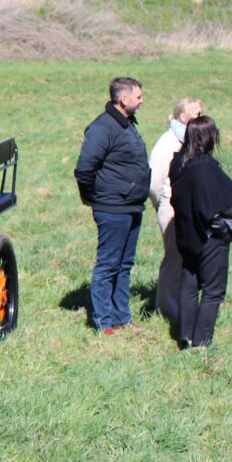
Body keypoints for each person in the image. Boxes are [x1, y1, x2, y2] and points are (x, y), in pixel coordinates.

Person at [74, 77, 149, 335]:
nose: (142, 101)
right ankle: (103, 322)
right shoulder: (102, 127)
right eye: (138, 97)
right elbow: (84, 169)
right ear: (123, 99)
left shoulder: (127, 123)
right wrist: (92, 198)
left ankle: (122, 317)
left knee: (124, 265)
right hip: (113, 208)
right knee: (108, 265)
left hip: (132, 206)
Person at [169, 116, 232, 349]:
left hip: (186, 235)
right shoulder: (205, 168)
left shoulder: (179, 163)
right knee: (213, 291)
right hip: (209, 237)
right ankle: (201, 342)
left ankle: (186, 335)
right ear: (210, 137)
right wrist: (224, 228)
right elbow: (210, 205)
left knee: (190, 284)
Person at [148, 97, 204, 323]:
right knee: (174, 258)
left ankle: (184, 305)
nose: (202, 118)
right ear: (184, 117)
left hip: (190, 208)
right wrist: (163, 203)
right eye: (197, 114)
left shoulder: (192, 140)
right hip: (171, 207)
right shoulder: (168, 142)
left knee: (188, 258)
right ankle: (166, 309)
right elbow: (153, 181)